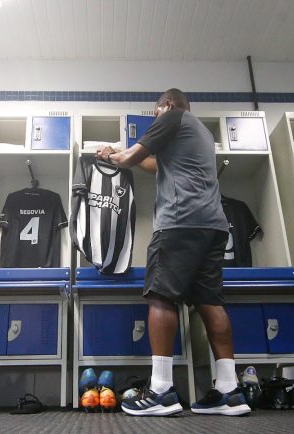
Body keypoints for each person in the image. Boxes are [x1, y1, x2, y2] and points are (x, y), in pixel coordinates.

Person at [96, 88, 250, 417]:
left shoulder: (172, 117)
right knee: (210, 301)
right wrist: (129, 156)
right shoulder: (201, 132)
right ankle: (229, 391)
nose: (155, 119)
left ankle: (161, 391)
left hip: (180, 222)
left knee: (162, 297)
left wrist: (110, 154)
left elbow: (127, 159)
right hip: (213, 226)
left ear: (165, 106)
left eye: (155, 114)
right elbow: (155, 164)